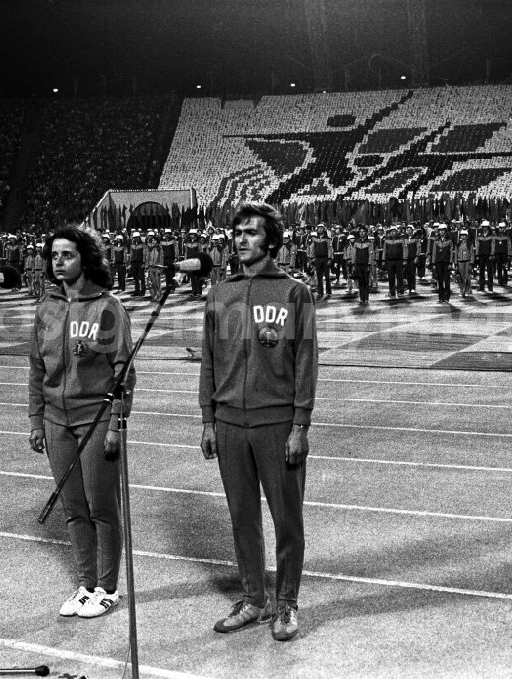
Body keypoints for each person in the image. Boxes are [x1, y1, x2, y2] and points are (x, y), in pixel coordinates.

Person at [199, 201, 318, 642]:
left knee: (288, 521)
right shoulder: (221, 293)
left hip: (276, 421)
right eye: (237, 232)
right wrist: (208, 418)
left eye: (251, 232)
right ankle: (254, 599)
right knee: (241, 516)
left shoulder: (294, 292)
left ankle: (286, 603)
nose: (241, 239)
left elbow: (306, 360)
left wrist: (300, 423)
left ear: (270, 239)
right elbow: (209, 360)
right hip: (229, 422)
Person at [28, 225, 135, 619]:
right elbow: (36, 368)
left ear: (85, 259)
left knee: (101, 506)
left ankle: (108, 588)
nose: (59, 262)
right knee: (73, 507)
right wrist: (36, 419)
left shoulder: (108, 308)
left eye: (67, 254)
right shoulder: (46, 308)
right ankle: (86, 585)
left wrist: (114, 425)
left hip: (96, 416)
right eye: (54, 255)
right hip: (56, 419)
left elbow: (124, 371)